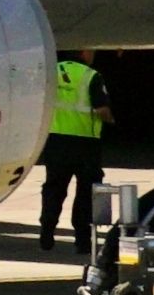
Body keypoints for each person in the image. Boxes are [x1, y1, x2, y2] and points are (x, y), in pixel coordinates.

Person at [38, 55, 109, 247]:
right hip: (86, 142)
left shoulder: (50, 72)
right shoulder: (90, 75)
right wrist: (112, 121)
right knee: (87, 190)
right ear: (84, 52)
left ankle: (46, 233)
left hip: (56, 140)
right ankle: (83, 239)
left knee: (54, 188)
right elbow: (101, 109)